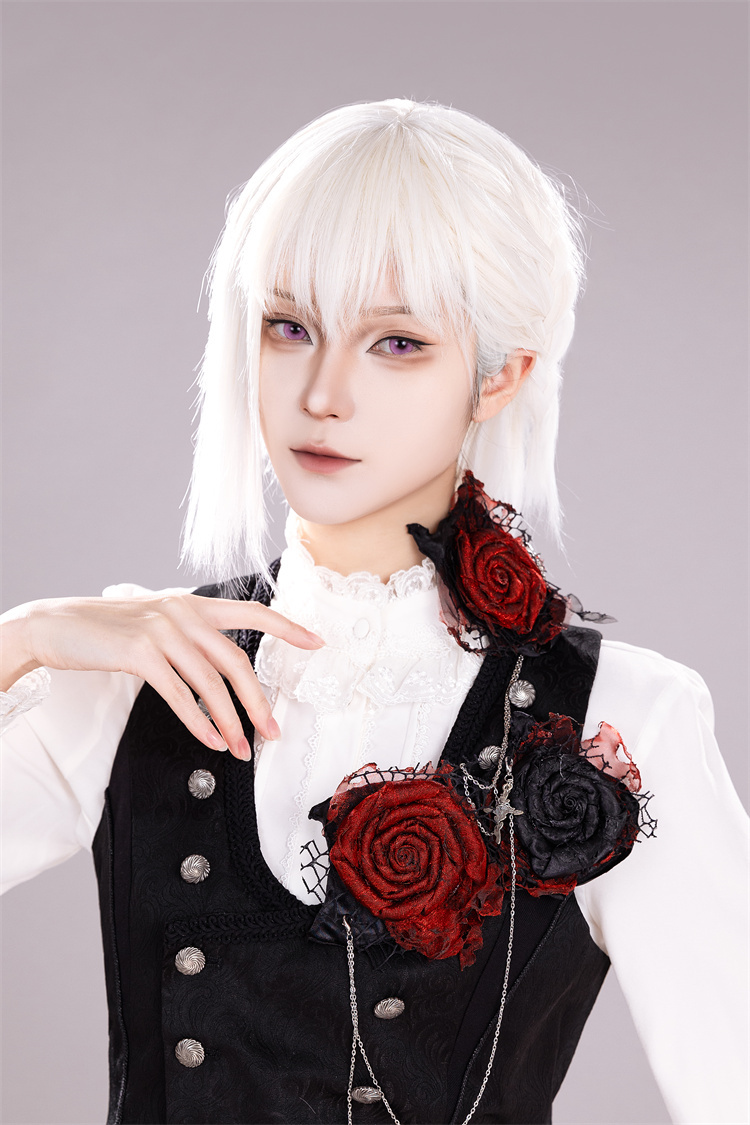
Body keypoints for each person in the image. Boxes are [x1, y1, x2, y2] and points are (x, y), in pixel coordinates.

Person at [1, 98, 747, 1125]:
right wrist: (23, 639)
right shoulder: (134, 673)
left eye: (396, 342)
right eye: (290, 327)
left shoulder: (627, 716)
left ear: (501, 376)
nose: (323, 393)